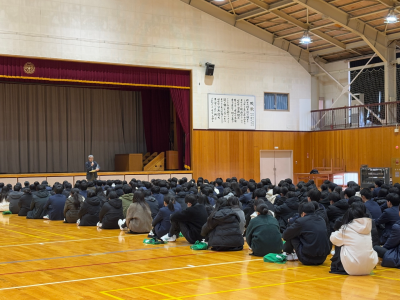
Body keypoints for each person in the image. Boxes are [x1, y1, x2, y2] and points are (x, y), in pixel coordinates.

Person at [330, 202, 378, 275]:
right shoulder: (368, 226)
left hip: (353, 269)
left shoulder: (347, 228)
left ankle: (338, 267)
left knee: (340, 243)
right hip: (369, 267)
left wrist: (338, 230)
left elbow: (333, 239)